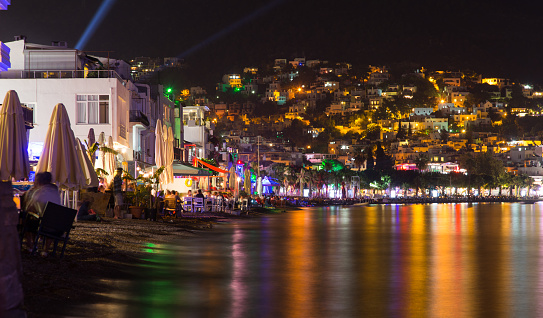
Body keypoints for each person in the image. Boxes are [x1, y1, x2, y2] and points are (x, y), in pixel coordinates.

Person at [23, 171, 61, 256]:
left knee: (27, 220)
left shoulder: (38, 192)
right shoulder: (56, 191)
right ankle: (46, 250)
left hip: (44, 225)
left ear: (39, 182)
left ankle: (31, 246)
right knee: (50, 220)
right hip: (59, 227)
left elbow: (29, 208)